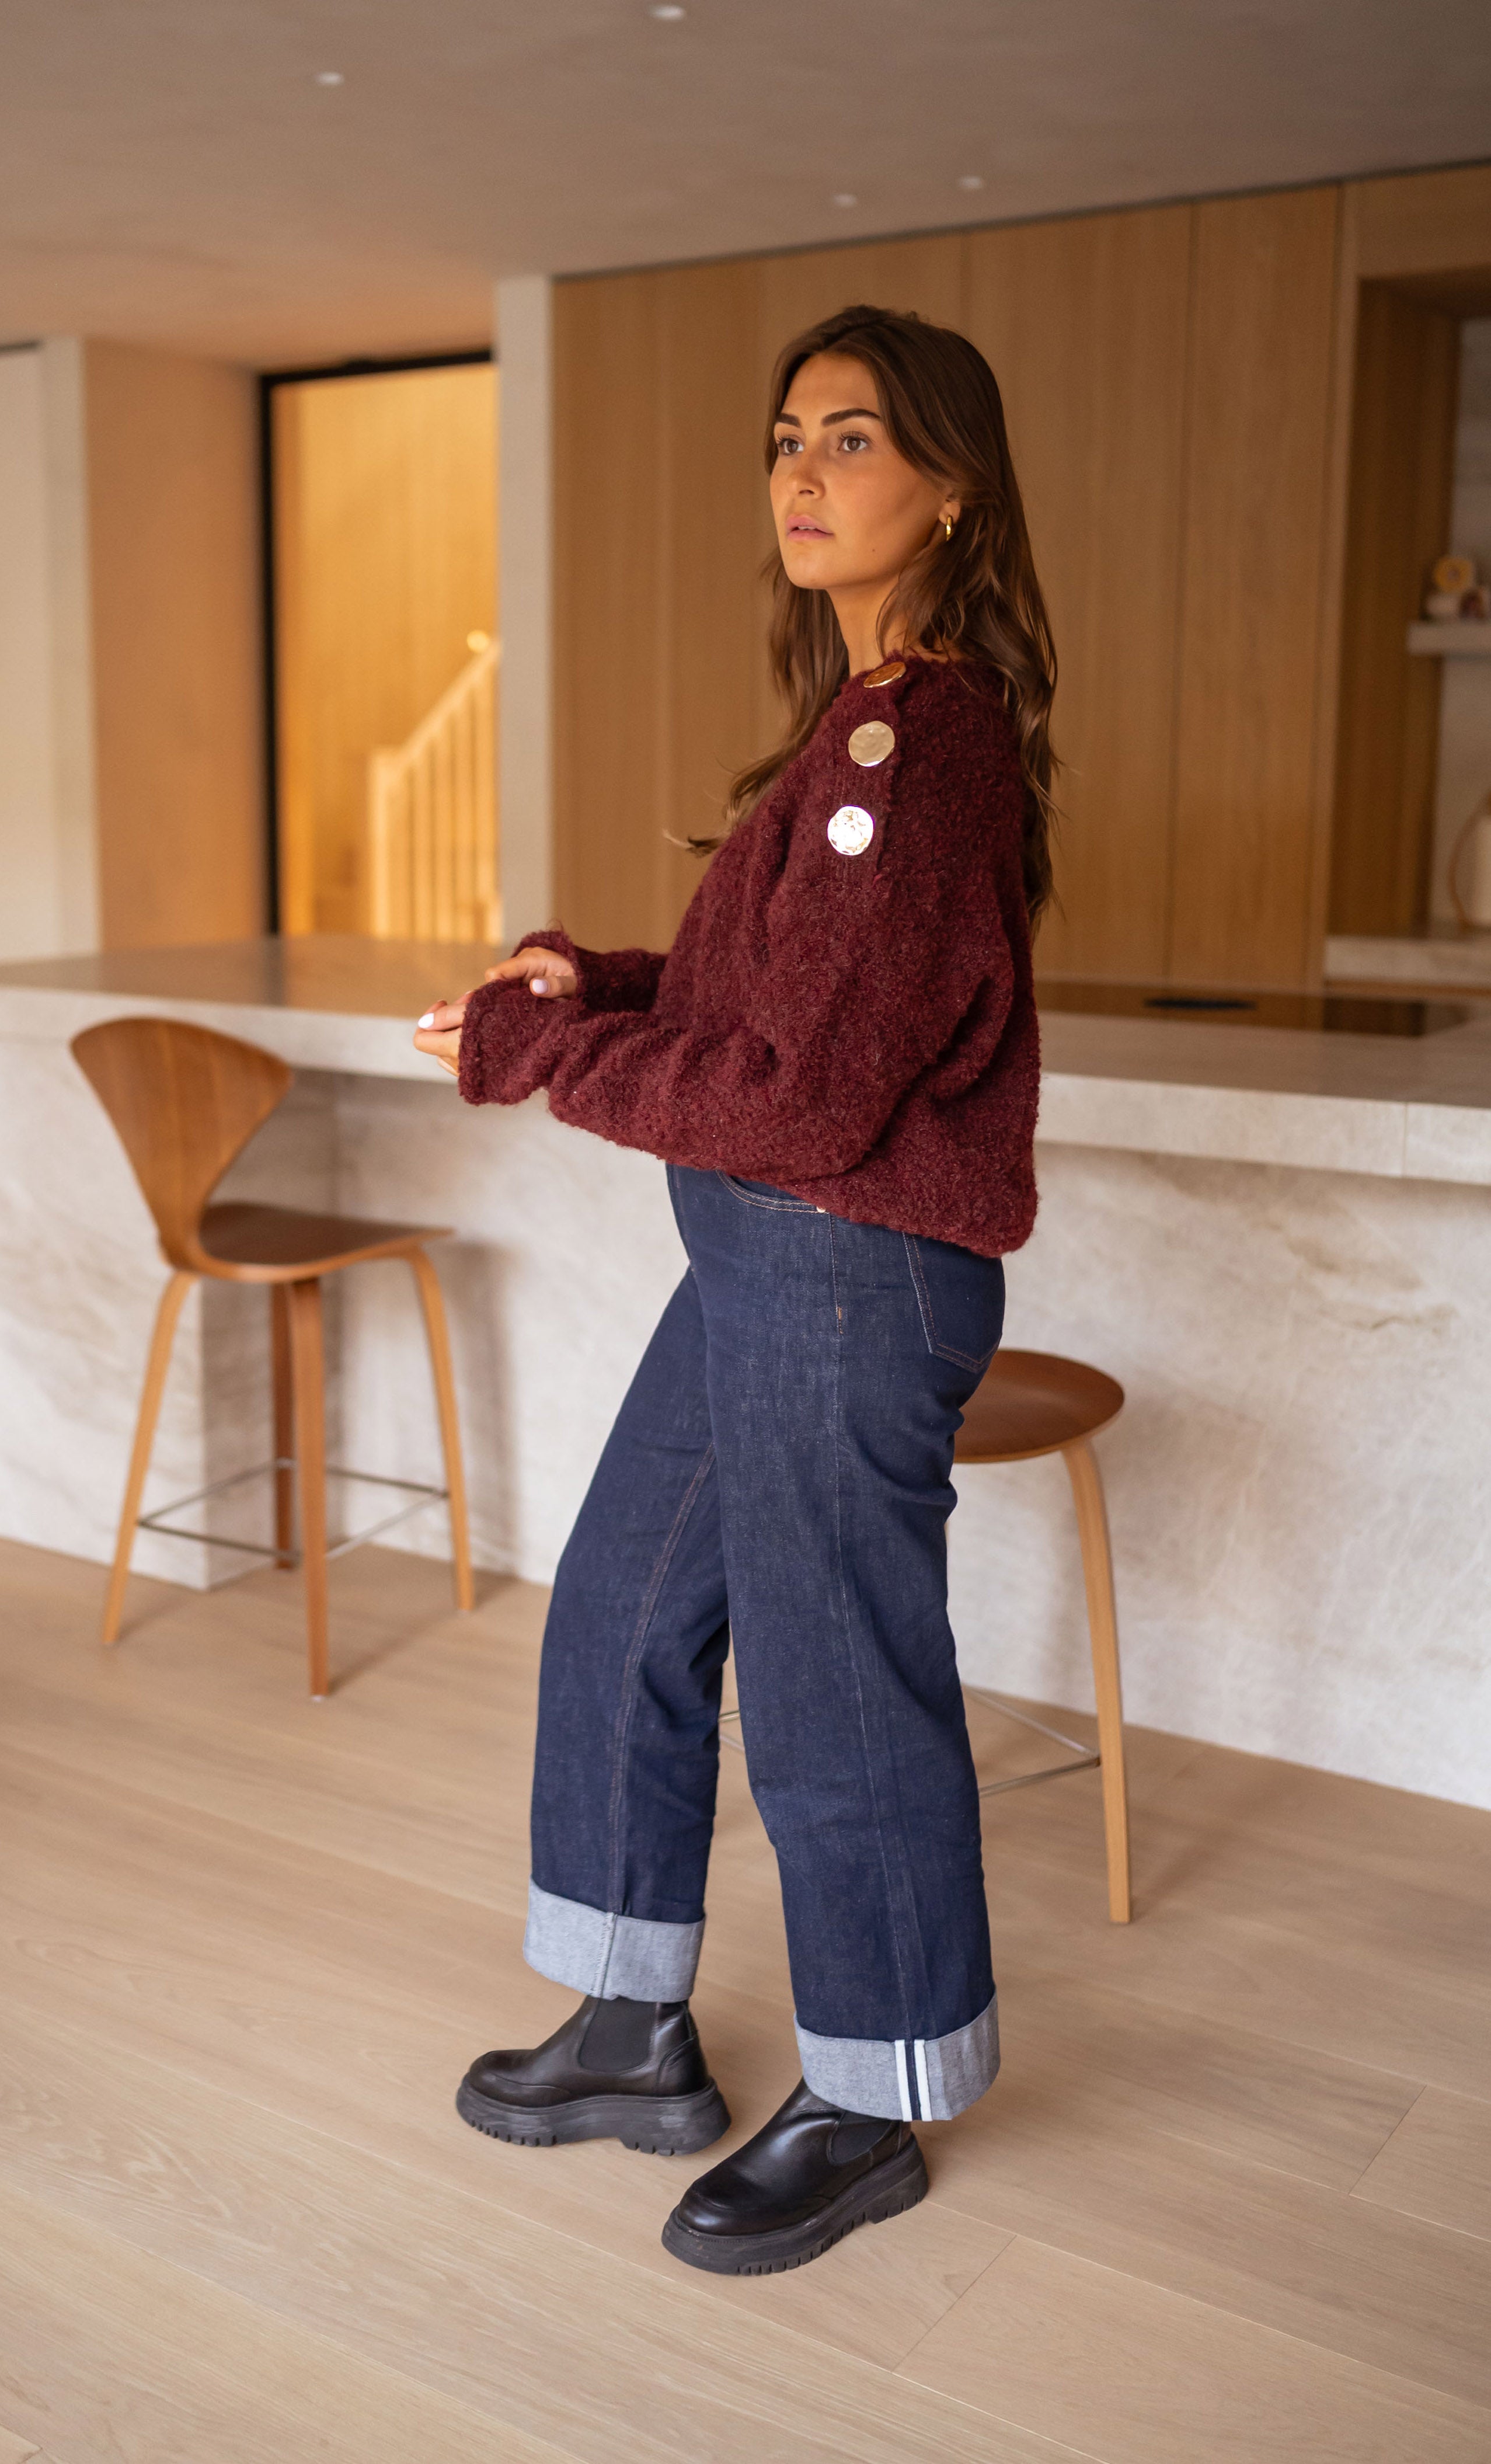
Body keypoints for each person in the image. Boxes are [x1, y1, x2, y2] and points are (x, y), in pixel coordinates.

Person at [413, 302, 1056, 2277]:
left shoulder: (913, 747)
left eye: (849, 440)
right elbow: (750, 1007)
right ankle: (629, 2022)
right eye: (785, 437)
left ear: (946, 486)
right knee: (620, 1603)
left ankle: (872, 2096)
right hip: (771, 1262)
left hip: (845, 1269)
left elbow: (804, 1089)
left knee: (831, 1688)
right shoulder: (854, 733)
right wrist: (577, 988)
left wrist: (535, 1061)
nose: (799, 472)